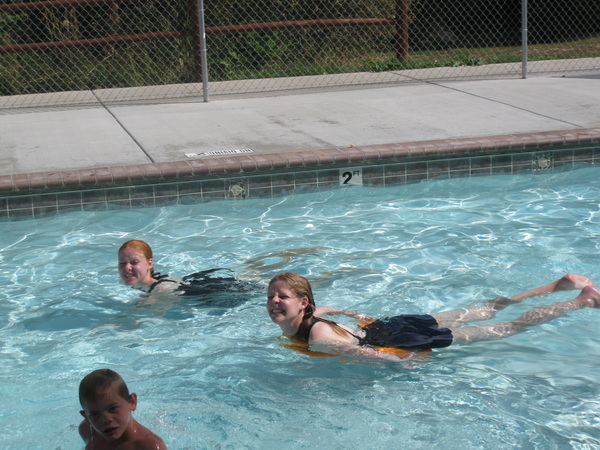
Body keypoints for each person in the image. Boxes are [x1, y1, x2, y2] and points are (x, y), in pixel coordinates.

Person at [266, 272, 600, 362]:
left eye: (283, 297)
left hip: (397, 339)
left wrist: (403, 361)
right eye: (271, 297)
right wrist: (354, 314)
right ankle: (557, 286)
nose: (275, 302)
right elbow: (329, 309)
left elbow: (364, 355)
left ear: (302, 302)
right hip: (388, 324)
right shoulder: (311, 315)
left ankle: (581, 302)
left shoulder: (317, 336)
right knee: (484, 309)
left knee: (504, 328)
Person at [118, 240, 259, 304]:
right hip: (196, 281)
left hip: (215, 291)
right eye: (122, 264)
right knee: (251, 272)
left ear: (150, 264)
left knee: (259, 286)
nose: (127, 268)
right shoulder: (148, 282)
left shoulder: (160, 290)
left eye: (134, 263)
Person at [78, 368, 167, 450]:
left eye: (112, 408)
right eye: (94, 414)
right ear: (86, 417)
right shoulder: (87, 430)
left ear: (132, 402)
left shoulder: (150, 446)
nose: (105, 420)